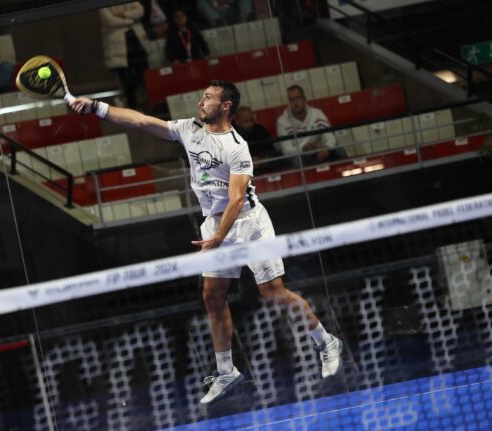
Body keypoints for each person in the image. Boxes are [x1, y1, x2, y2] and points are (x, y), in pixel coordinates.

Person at [68, 80, 343, 406]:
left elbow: (237, 199)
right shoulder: (189, 129)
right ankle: (226, 371)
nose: (201, 101)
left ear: (226, 106)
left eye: (209, 98)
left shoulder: (237, 147)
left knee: (273, 292)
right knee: (213, 296)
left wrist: (218, 238)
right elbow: (141, 121)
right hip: (215, 222)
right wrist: (97, 107)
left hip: (248, 224)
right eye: (202, 96)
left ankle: (326, 342)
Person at [276, 84, 346, 167]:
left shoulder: (317, 114)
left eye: (298, 98)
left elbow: (329, 136)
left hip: (318, 150)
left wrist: (326, 148)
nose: (295, 103)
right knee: (296, 160)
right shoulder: (282, 122)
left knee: (339, 149)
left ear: (304, 99)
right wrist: (303, 149)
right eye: (291, 100)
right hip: (300, 154)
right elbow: (286, 150)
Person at [99, 2, 150, 108]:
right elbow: (110, 21)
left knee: (143, 78)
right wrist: (130, 19)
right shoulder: (102, 4)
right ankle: (132, 107)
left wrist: (123, 15)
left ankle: (147, 105)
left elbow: (140, 10)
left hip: (137, 45)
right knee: (127, 82)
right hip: (118, 50)